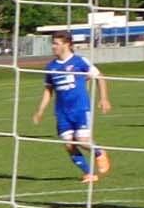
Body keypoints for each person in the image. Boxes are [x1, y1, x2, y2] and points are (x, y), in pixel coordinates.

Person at [30, 33, 112, 184]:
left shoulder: (79, 61)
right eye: (53, 43)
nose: (53, 46)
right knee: (69, 144)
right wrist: (40, 110)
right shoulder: (51, 67)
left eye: (56, 43)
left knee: (81, 140)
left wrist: (104, 98)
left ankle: (100, 152)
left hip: (80, 108)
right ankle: (89, 174)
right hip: (62, 112)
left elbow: (100, 76)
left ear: (66, 44)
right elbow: (48, 91)